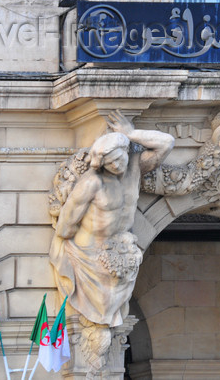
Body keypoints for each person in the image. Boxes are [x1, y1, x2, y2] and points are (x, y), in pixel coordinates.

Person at [49, 111, 175, 327]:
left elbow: (167, 142)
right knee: (100, 315)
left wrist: (131, 133)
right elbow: (65, 227)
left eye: (119, 158)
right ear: (101, 163)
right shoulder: (91, 183)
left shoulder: (134, 167)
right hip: (91, 257)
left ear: (126, 152)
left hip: (123, 254)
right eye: (110, 162)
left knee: (111, 314)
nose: (117, 165)